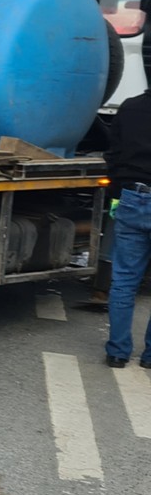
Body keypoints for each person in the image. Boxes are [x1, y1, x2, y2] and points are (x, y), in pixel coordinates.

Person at [105, 86, 151, 368]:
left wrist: (116, 194)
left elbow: (113, 154)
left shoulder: (130, 106)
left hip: (132, 198)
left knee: (124, 280)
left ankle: (118, 352)